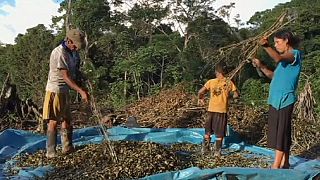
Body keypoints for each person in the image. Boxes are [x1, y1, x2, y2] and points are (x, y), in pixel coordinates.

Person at [252, 30, 302, 169]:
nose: (276, 45)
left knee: (281, 132)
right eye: (274, 43)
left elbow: (278, 58)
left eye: (277, 42)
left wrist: (266, 46)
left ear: (286, 41)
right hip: (275, 100)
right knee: (281, 132)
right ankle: (285, 163)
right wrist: (261, 66)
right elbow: (273, 75)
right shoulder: (283, 63)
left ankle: (276, 166)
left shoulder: (294, 55)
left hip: (285, 99)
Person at [43, 29, 89, 158]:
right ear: (68, 41)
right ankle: (51, 152)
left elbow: (75, 71)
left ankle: (67, 147)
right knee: (53, 121)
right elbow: (66, 76)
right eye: (75, 45)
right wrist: (80, 91)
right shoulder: (60, 53)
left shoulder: (73, 52)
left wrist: (84, 78)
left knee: (67, 119)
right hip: (56, 89)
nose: (76, 48)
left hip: (66, 90)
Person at [198, 63, 239, 157]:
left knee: (208, 132)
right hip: (221, 111)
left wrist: (200, 98)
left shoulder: (211, 82)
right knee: (219, 134)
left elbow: (200, 91)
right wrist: (231, 99)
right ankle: (217, 152)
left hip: (211, 110)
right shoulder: (229, 83)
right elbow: (236, 94)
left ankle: (205, 150)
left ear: (217, 72)